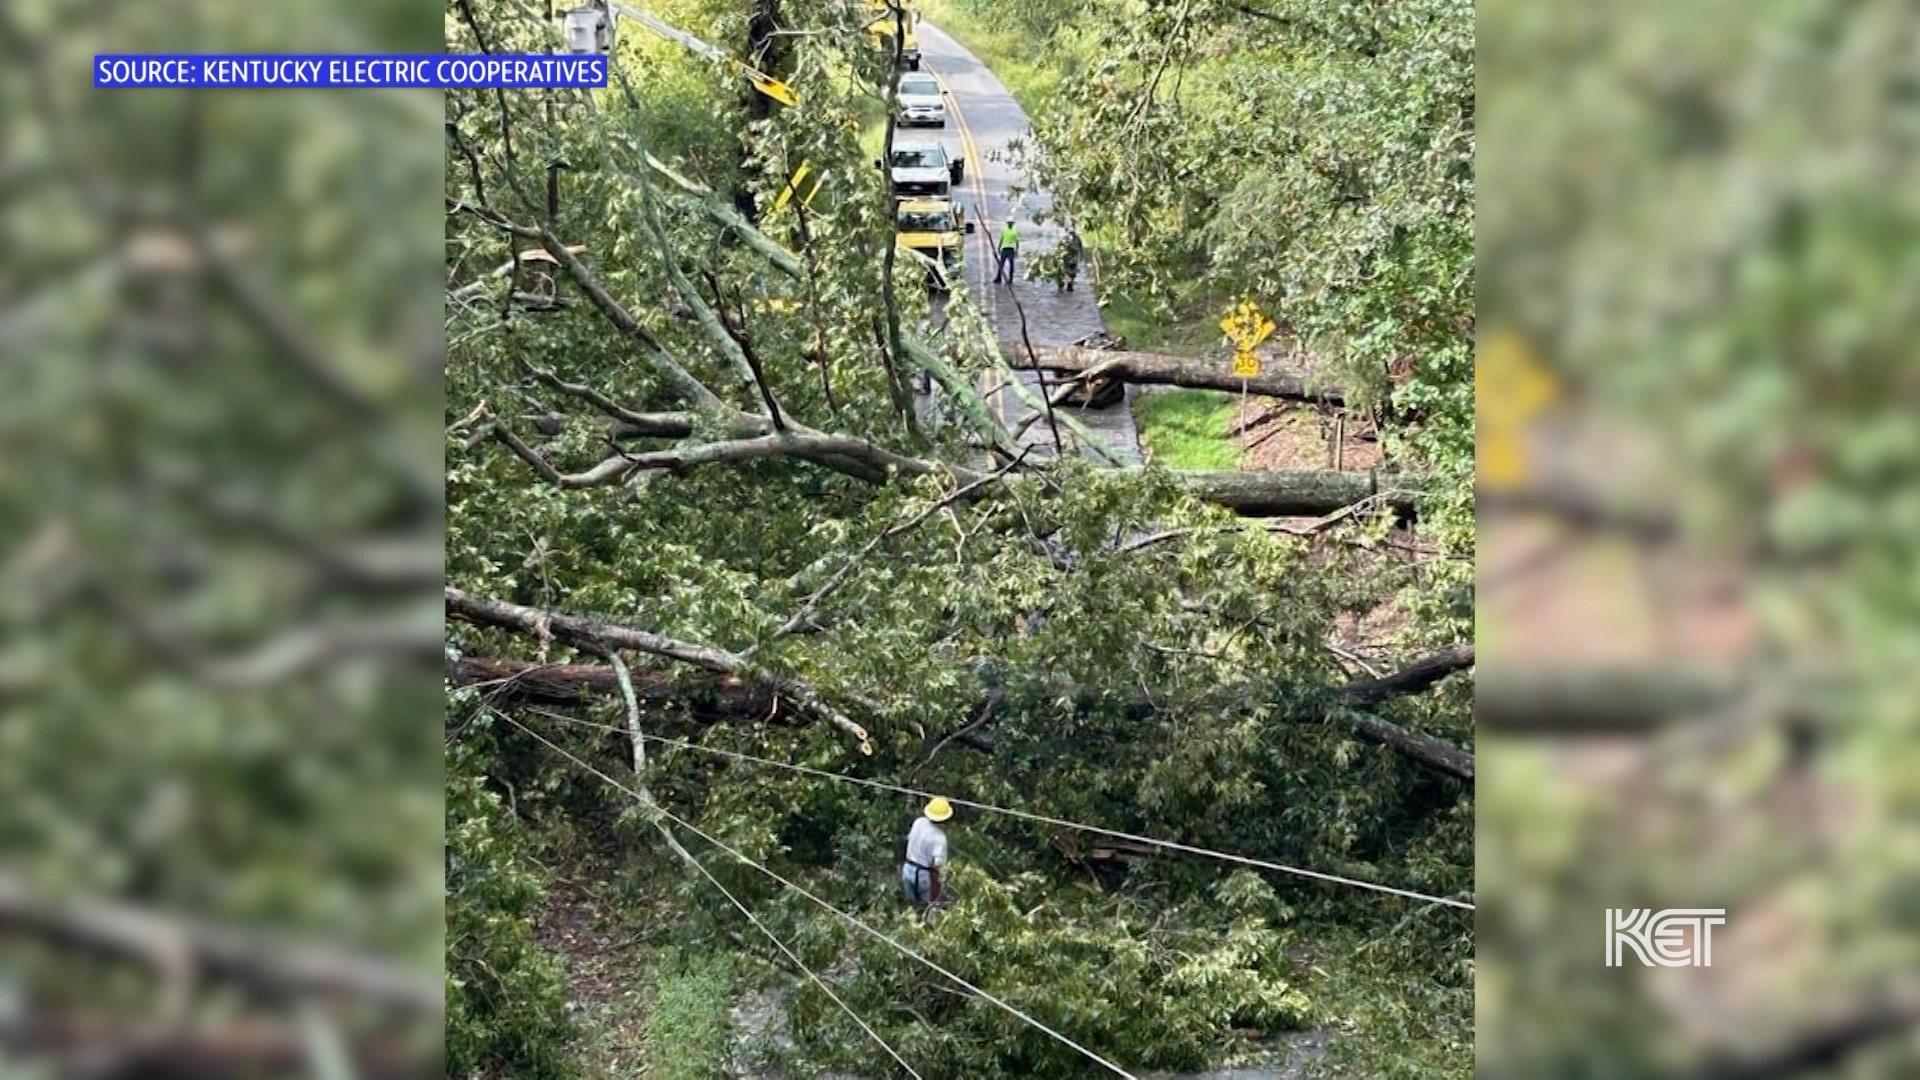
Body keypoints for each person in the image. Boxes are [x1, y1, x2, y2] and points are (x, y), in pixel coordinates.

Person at [900, 797, 952, 908]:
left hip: (907, 869)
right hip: (923, 876)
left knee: (911, 906)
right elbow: (938, 865)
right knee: (927, 907)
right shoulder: (940, 838)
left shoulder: (919, 822)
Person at [992, 220, 1019, 285]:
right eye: (1009, 223)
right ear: (1007, 223)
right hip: (1004, 249)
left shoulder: (1015, 231)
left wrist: (1017, 250)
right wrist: (999, 247)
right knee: (1001, 264)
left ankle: (1010, 279)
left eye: (1011, 223)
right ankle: (999, 278)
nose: (1010, 224)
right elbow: (1001, 239)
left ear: (1012, 224)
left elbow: (1017, 242)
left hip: (1011, 249)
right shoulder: (1004, 230)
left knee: (1011, 265)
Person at [1059, 225, 1083, 292]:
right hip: (1066, 258)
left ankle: (1070, 285)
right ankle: (1062, 284)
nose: (1072, 233)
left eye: (1073, 232)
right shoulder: (1064, 238)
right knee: (1065, 271)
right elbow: (1059, 248)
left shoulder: (1077, 238)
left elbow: (1080, 248)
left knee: (1073, 273)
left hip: (1074, 258)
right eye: (1070, 232)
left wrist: (1081, 256)